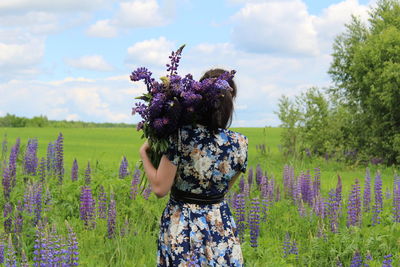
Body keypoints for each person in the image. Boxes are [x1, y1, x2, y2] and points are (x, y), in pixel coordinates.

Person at [139, 68, 248, 266]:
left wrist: (144, 154)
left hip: (183, 224)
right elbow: (224, 189)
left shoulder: (181, 136)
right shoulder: (240, 143)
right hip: (220, 223)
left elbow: (159, 188)